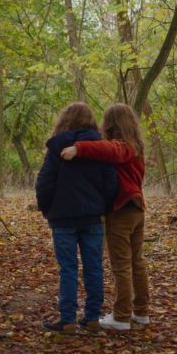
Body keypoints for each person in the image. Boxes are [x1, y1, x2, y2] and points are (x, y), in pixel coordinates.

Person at [60, 103, 150, 331]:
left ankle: (121, 316)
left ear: (111, 124)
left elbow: (111, 150)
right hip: (137, 209)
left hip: (123, 210)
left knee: (122, 265)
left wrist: (78, 148)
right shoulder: (136, 146)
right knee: (136, 263)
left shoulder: (123, 146)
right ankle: (140, 312)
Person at [36, 103, 118, 334]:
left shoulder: (57, 147)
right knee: (94, 266)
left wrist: (47, 209)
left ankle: (68, 319)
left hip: (62, 218)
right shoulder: (101, 148)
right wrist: (104, 206)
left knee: (68, 268)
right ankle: (92, 317)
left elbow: (44, 182)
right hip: (92, 217)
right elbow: (111, 182)